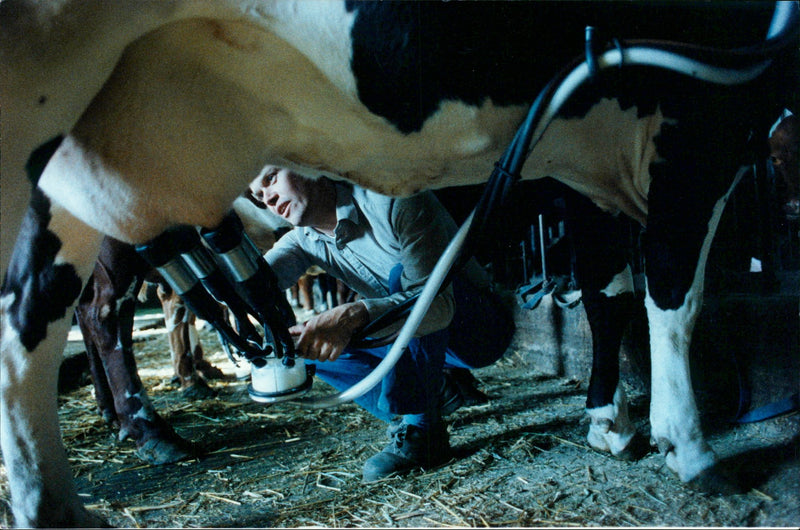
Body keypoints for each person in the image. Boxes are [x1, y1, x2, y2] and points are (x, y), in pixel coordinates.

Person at [246, 166, 514, 481]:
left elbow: (437, 305)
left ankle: (424, 433)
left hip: (478, 331)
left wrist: (354, 314)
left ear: (306, 163)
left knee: (402, 281)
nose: (270, 199)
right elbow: (250, 288)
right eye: (259, 197)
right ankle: (432, 396)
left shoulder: (392, 199)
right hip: (418, 341)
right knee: (302, 344)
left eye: (270, 179)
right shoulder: (302, 240)